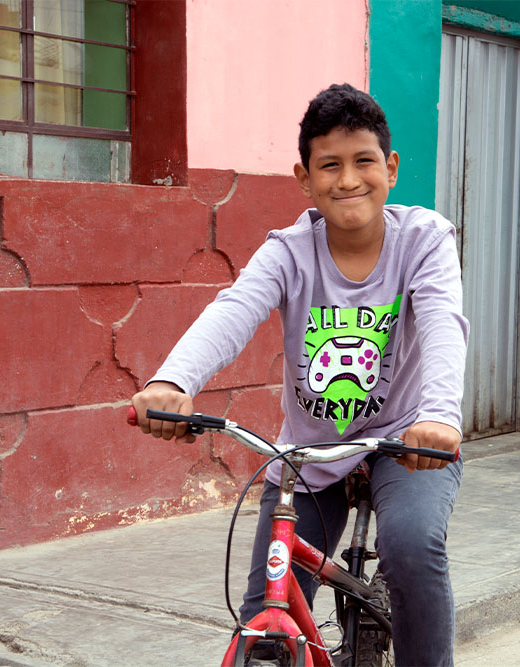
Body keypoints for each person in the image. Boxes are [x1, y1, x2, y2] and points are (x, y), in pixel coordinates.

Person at [130, 83, 468, 666]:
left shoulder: (424, 239)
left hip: (407, 442)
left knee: (412, 547)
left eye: (363, 161)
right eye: (328, 165)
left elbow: (442, 324)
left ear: (390, 168)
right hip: (309, 451)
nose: (348, 180)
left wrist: (438, 417)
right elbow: (233, 311)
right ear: (304, 179)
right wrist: (174, 382)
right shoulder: (287, 251)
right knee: (267, 610)